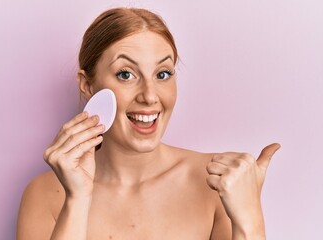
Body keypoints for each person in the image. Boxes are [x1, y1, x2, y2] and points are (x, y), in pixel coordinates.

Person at [16, 7, 280, 240]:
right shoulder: (44, 195)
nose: (150, 96)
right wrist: (77, 200)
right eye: (126, 74)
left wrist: (250, 222)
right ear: (88, 85)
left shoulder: (219, 182)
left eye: (163, 74)